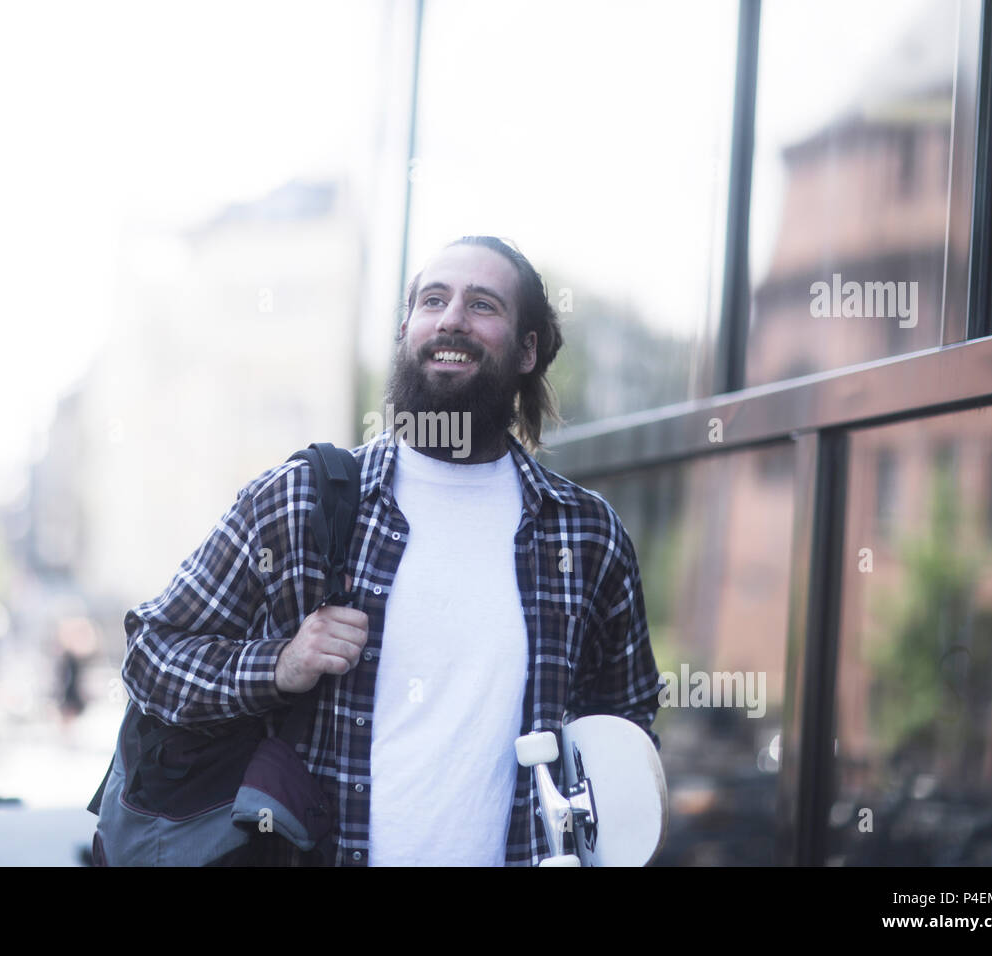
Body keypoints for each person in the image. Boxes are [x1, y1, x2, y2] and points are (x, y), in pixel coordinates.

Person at [120, 235, 661, 866]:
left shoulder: (586, 535)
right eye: (434, 300)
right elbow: (151, 655)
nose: (452, 317)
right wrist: (280, 666)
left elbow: (625, 732)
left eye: (483, 305)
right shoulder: (300, 502)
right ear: (408, 329)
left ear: (528, 349)